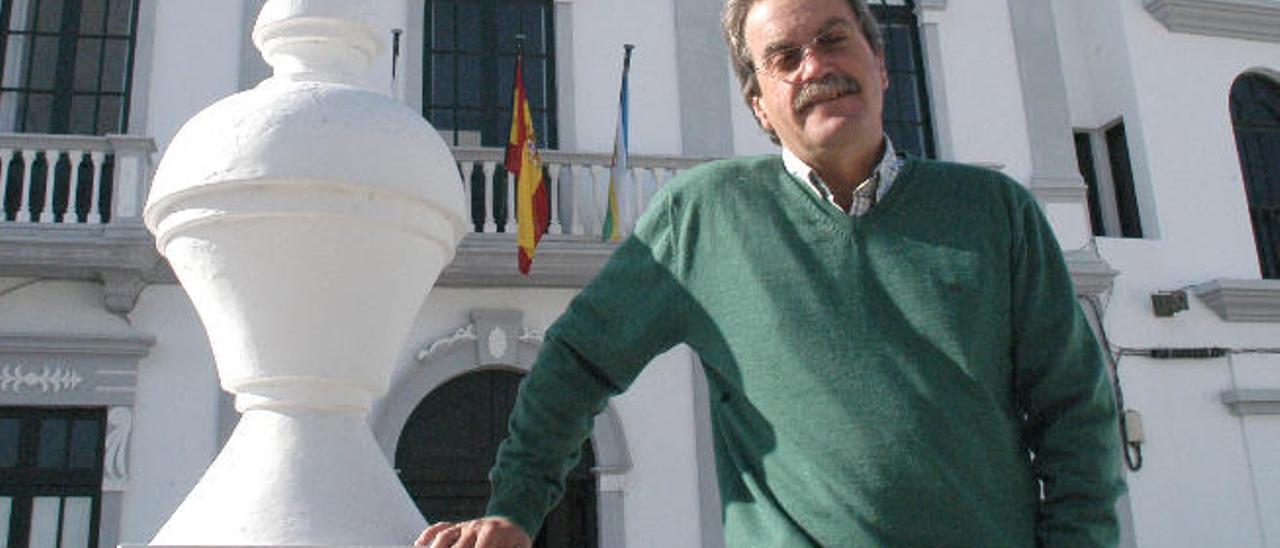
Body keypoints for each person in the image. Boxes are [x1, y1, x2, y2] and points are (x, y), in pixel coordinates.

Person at [416, 0, 1126, 545]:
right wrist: (514, 507)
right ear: (759, 104)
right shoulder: (704, 216)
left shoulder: (994, 212)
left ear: (881, 63)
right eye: (783, 57)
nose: (814, 66)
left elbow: (1075, 414)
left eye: (832, 38)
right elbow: (572, 363)